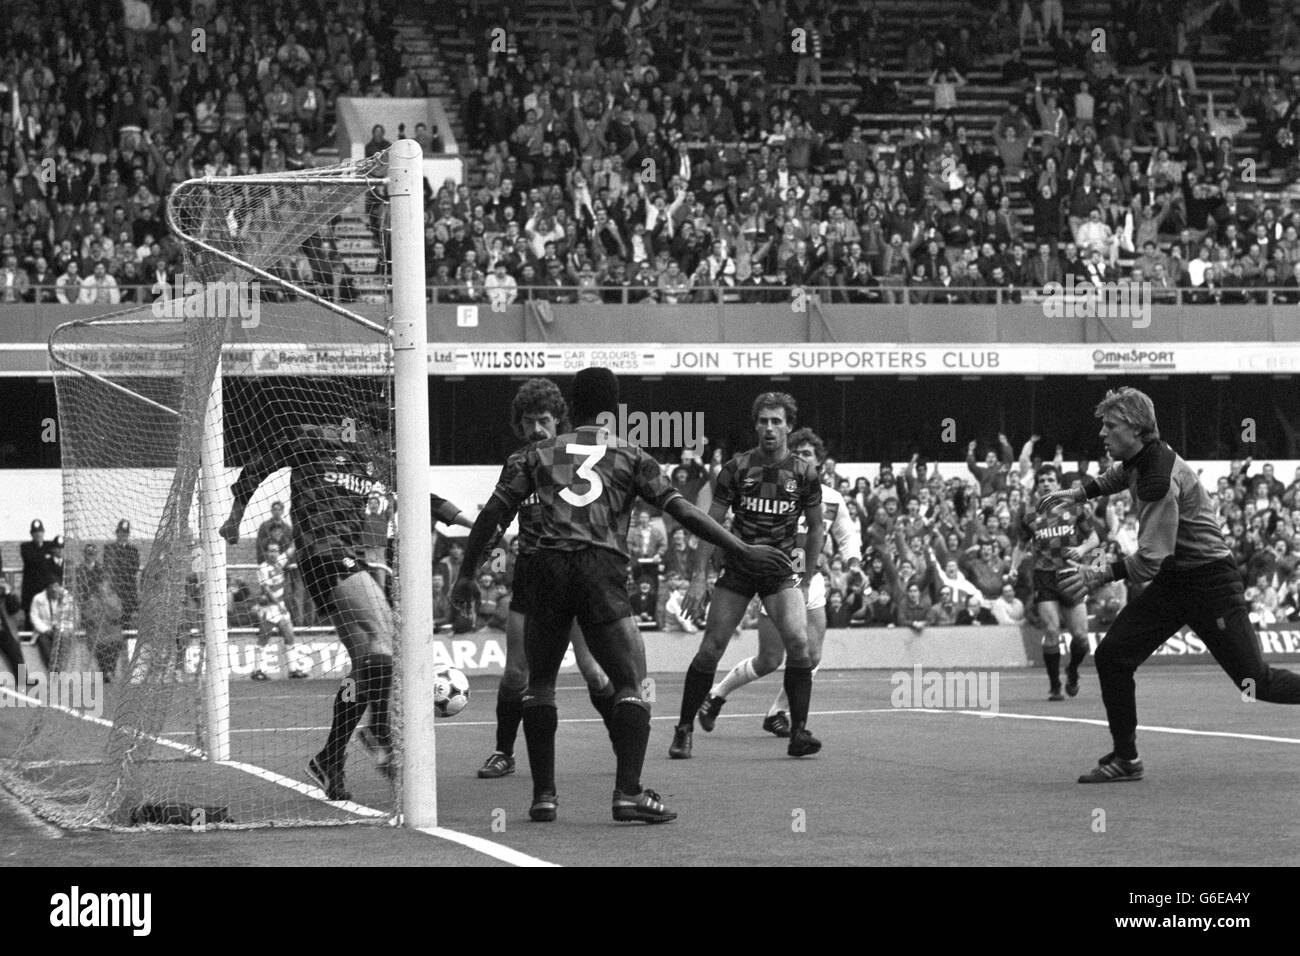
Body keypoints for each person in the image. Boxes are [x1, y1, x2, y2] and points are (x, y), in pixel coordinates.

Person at [452, 368, 789, 824]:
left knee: (541, 684)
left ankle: (544, 797)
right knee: (631, 682)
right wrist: (741, 547)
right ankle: (628, 793)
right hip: (599, 568)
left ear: (570, 405)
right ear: (613, 407)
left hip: (545, 569)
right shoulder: (629, 453)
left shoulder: (536, 455)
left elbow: (492, 514)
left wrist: (467, 576)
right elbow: (682, 510)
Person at [1039, 388, 1300, 783]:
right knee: (1113, 657)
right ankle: (1126, 759)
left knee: (1254, 681)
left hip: (1211, 584)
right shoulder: (1139, 458)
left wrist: (1097, 575)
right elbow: (1116, 476)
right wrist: (1077, 493)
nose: (1103, 434)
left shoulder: (1158, 480)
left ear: (1138, 430)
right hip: (1176, 581)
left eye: (1111, 426)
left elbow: (1149, 561)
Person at [220, 413, 469, 799]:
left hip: (350, 562)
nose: (392, 444)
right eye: (388, 433)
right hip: (324, 552)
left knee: (371, 663)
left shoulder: (380, 465)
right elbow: (262, 463)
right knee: (385, 643)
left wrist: (463, 518)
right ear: (372, 427)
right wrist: (236, 516)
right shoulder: (316, 438)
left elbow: (420, 495)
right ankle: (378, 730)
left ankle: (329, 761)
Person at [475, 378, 620, 781]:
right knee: (517, 673)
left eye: (544, 420)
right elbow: (497, 517)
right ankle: (504, 752)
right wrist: (480, 561)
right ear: (518, 426)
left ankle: (622, 744)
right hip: (535, 578)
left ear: (559, 420)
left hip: (578, 575)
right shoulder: (520, 462)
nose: (537, 429)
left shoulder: (574, 459)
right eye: (528, 422)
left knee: (593, 671)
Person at [670, 393, 825, 760]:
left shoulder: (804, 473)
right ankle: (683, 729)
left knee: (799, 645)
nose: (770, 428)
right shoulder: (737, 468)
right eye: (763, 421)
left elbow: (816, 529)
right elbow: (710, 523)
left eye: (777, 421)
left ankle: (798, 732)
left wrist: (806, 576)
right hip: (739, 567)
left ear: (788, 425)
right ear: (755, 425)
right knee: (710, 649)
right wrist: (698, 577)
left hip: (780, 571)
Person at [696, 427, 859, 739]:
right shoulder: (776, 487)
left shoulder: (833, 499)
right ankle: (717, 695)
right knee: (770, 659)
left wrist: (853, 561)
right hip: (780, 580)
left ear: (819, 463)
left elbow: (846, 534)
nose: (805, 460)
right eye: (800, 454)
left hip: (810, 580)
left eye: (810, 455)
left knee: (811, 655)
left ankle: (779, 713)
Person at [1013, 465, 1099, 700]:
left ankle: (1072, 671)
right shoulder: (1029, 513)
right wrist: (1013, 567)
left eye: (1050, 479)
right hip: (1044, 577)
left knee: (1081, 637)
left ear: (1057, 483)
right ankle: (1054, 686)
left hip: (1070, 574)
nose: (1045, 483)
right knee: (1051, 630)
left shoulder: (1074, 508)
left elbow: (1094, 537)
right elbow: (1021, 546)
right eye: (1041, 480)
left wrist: (1081, 549)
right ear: (1037, 484)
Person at [251, 541, 307, 680]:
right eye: (271, 551)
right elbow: (266, 589)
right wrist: (278, 604)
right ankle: (257, 670)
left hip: (280, 607)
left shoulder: (279, 563)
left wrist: (298, 537)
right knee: (263, 638)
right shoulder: (262, 568)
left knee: (289, 635)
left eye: (275, 550)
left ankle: (293, 670)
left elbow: (289, 551)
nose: (273, 553)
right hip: (269, 608)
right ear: (266, 553)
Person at [20, 519, 60, 627]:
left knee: (47, 615)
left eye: (40, 532)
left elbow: (55, 557)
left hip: (44, 588)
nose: (38, 535)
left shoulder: (49, 545)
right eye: (35, 533)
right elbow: (30, 560)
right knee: (29, 618)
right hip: (30, 589)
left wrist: (45, 557)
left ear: (43, 532)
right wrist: (46, 557)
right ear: (31, 534)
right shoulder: (25, 547)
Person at [102, 519, 140, 628]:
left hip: (129, 588)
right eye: (121, 532)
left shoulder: (133, 550)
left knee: (129, 615)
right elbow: (107, 567)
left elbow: (135, 567)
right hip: (115, 587)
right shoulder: (109, 548)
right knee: (114, 617)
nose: (123, 535)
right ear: (117, 532)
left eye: (125, 533)